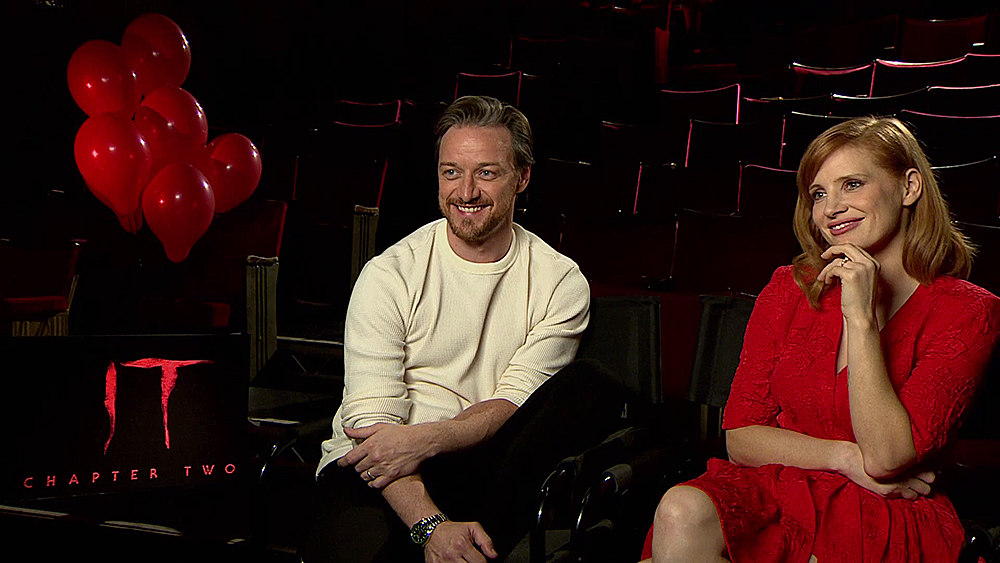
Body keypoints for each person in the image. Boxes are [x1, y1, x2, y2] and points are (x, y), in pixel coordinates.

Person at [643, 116, 1000, 562]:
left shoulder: (969, 311)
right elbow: (741, 437)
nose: (831, 208)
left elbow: (887, 458)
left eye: (852, 184)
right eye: (819, 193)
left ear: (909, 187)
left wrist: (861, 318)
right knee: (680, 510)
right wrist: (845, 459)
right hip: (782, 487)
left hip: (884, 508)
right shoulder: (789, 286)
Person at [303, 95, 630, 563]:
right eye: (451, 172)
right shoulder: (389, 274)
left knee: (594, 384)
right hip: (374, 467)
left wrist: (427, 439)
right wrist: (431, 528)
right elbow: (371, 427)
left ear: (523, 177)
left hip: (479, 461)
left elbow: (513, 403)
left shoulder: (559, 281)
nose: (466, 192)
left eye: (487, 173)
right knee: (363, 546)